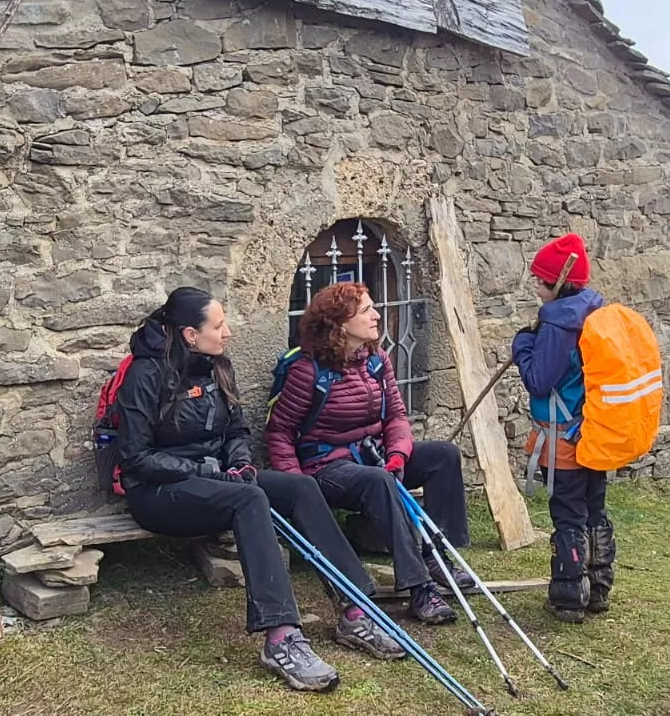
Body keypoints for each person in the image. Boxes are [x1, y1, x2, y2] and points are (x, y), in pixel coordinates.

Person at [114, 286, 406, 694]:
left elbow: (236, 430)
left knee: (300, 487)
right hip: (158, 491)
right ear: (190, 335)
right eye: (218, 326)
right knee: (249, 498)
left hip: (219, 478)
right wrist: (209, 471)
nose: (228, 332)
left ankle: (356, 609)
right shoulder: (144, 375)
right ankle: (281, 637)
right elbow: (135, 458)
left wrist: (241, 463)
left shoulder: (218, 365)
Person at [264, 282, 467, 629]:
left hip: (374, 456)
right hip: (326, 467)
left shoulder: (376, 360)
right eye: (365, 311)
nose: (376, 315)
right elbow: (279, 433)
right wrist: (297, 488)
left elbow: (396, 417)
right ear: (340, 325)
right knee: (378, 480)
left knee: (443, 455)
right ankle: (419, 587)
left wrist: (398, 454)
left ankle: (438, 554)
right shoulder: (307, 370)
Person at [510, 233, 617, 623]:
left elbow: (539, 381)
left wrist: (523, 344)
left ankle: (570, 597)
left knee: (569, 515)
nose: (535, 285)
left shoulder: (558, 323)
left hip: (564, 438)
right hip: (594, 432)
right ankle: (598, 588)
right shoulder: (594, 311)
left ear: (557, 282)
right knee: (594, 510)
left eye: (539, 279)